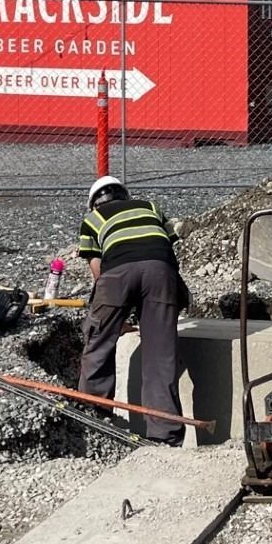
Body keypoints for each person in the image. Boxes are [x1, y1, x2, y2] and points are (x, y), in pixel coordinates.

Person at [77, 176, 190, 445]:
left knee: (98, 344)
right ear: (125, 196)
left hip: (117, 274)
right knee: (161, 356)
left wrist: (111, 319)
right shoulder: (149, 206)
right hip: (162, 272)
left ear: (95, 203)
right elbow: (163, 247)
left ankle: (94, 421)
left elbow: (98, 269)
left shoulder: (92, 219)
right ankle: (165, 436)